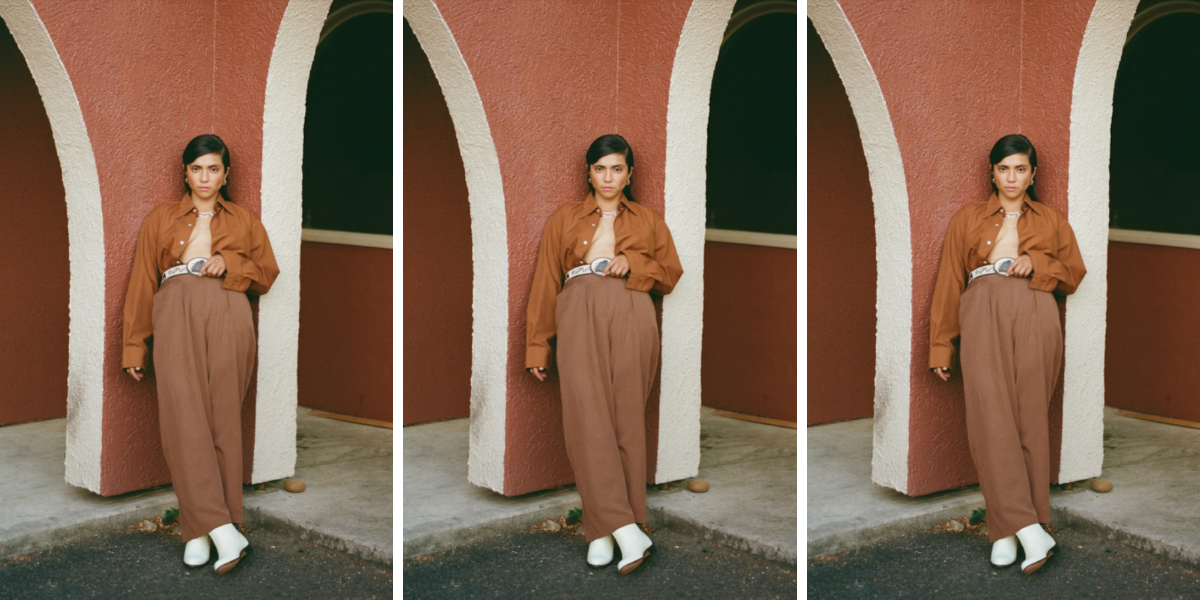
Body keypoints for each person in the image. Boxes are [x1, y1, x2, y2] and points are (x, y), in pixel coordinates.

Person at [525, 134, 683, 574]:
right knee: (586, 420)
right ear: (589, 173)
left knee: (625, 421)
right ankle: (626, 530)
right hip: (578, 309)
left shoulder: (649, 221)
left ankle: (600, 530)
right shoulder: (564, 219)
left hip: (634, 311)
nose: (608, 177)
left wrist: (635, 263)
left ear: (630, 174)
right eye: (600, 169)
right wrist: (539, 344)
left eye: (617, 168)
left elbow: (671, 273)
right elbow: (544, 285)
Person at [121, 134, 280, 574]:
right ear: (185, 173)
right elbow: (140, 285)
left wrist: (232, 263)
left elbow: (267, 273)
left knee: (222, 420)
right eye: (197, 169)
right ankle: (223, 530)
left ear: (226, 174)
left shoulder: (245, 221)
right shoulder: (160, 219)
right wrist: (136, 344)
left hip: (230, 311)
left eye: (213, 168)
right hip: (175, 309)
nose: (205, 177)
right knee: (182, 419)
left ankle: (197, 530)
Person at [929, 134, 1086, 574]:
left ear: (1033, 174)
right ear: (992, 173)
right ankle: (1030, 530)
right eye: (1004, 169)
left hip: (1037, 311)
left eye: (1020, 168)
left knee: (1029, 420)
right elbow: (947, 285)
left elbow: (1074, 273)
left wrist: (1039, 263)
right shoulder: (967, 219)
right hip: (982, 309)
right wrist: (943, 344)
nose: (1012, 177)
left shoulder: (1052, 221)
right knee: (989, 419)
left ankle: (1004, 530)